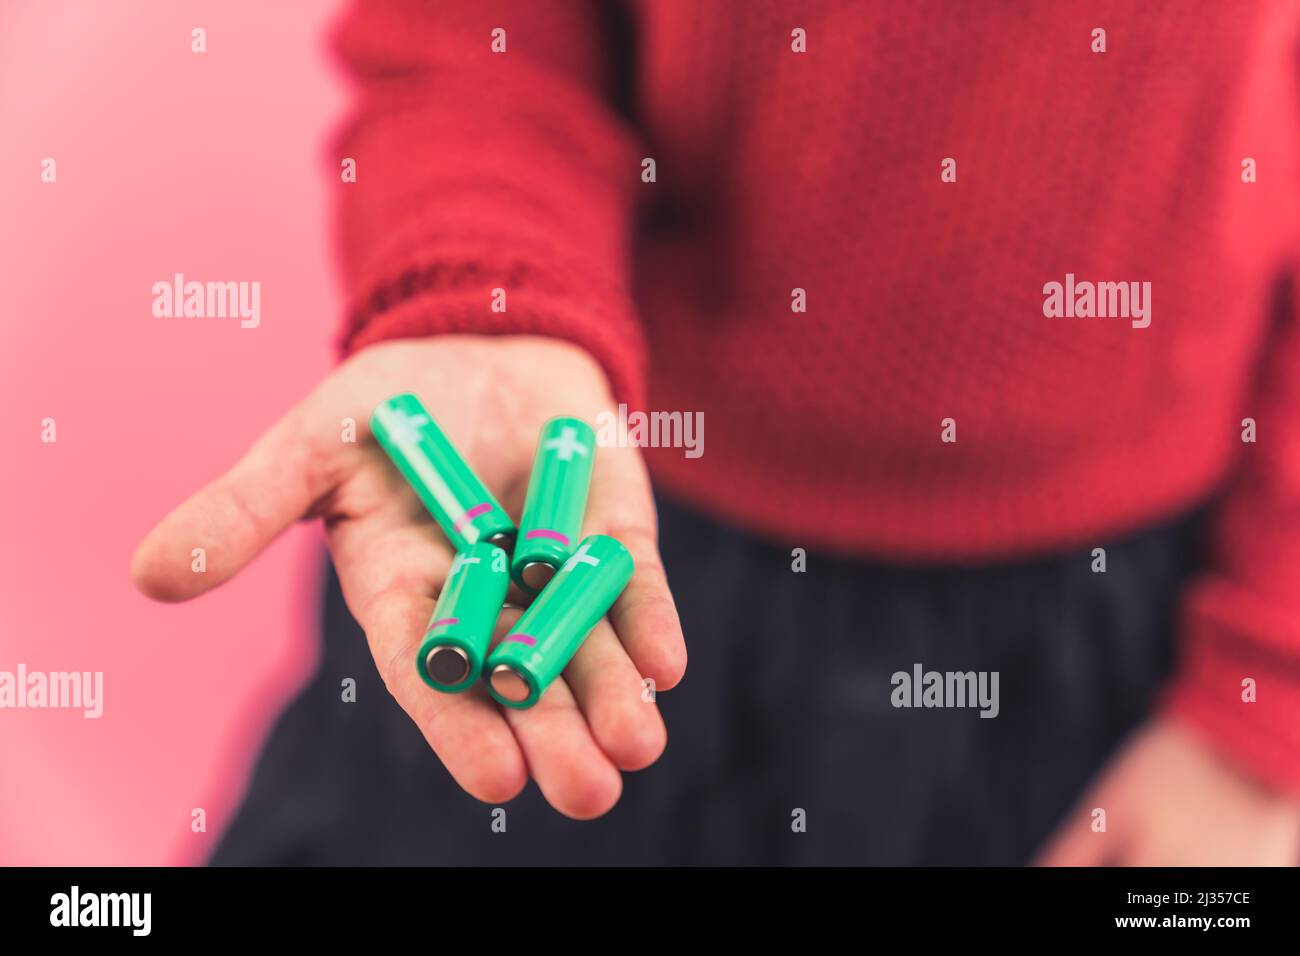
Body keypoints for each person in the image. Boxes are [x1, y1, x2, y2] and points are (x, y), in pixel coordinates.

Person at [132, 1, 1300, 864]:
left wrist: (1265, 699)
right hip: (618, 487)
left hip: (1104, 637)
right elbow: (477, 35)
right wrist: (489, 300)